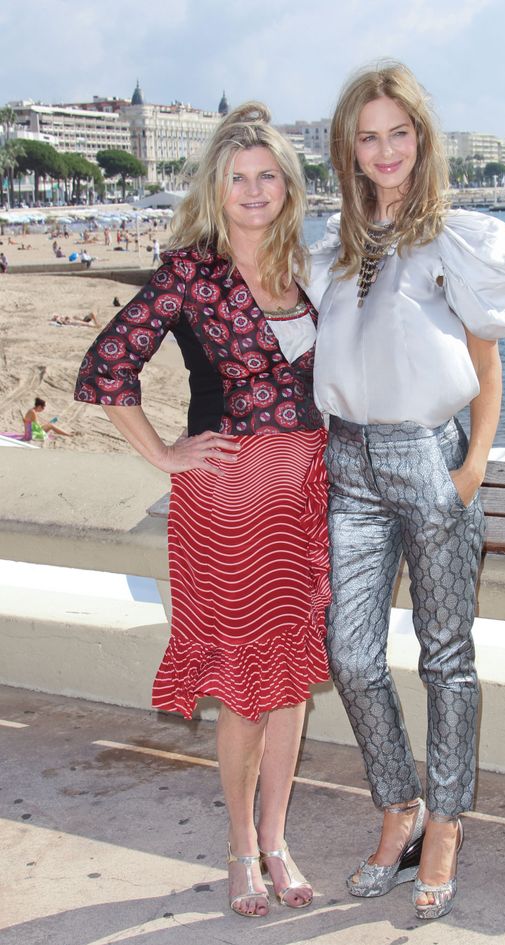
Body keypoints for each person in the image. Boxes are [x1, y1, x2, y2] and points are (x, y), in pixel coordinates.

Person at [74, 102, 330, 919]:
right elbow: (106, 366)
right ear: (216, 190)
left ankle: (279, 837)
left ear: (287, 187)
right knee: (246, 691)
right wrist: (164, 452)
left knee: (290, 683)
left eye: (267, 176)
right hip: (228, 502)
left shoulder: (302, 271)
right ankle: (240, 848)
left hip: (303, 499)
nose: (254, 191)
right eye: (238, 178)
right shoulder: (191, 272)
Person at [307, 62, 505, 922]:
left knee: (447, 655)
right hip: (351, 463)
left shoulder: (453, 239)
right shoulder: (334, 241)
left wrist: (472, 466)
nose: (386, 148)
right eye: (369, 135)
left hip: (430, 457)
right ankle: (398, 806)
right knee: (351, 654)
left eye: (399, 131)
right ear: (350, 148)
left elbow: (486, 365)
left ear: (422, 138)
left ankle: (443, 822)